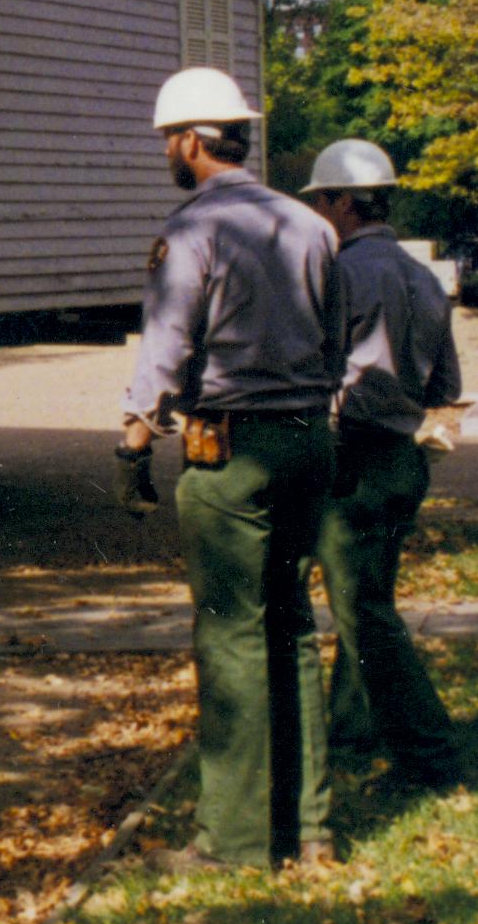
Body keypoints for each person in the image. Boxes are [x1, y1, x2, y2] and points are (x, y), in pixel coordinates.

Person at [120, 67, 344, 870]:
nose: (166, 156)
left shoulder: (190, 230)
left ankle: (232, 842)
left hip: (231, 449)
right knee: (288, 624)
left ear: (189, 141)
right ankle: (309, 829)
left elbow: (166, 341)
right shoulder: (310, 224)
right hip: (306, 441)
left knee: (229, 636)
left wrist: (135, 437)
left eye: (166, 142)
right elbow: (336, 341)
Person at [299, 138, 463, 788]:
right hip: (401, 457)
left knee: (365, 613)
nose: (316, 213)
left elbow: (319, 372)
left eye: (320, 201)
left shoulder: (337, 272)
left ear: (344, 201)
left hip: (353, 456)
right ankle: (350, 725)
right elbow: (444, 384)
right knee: (364, 599)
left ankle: (428, 752)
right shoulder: (424, 277)